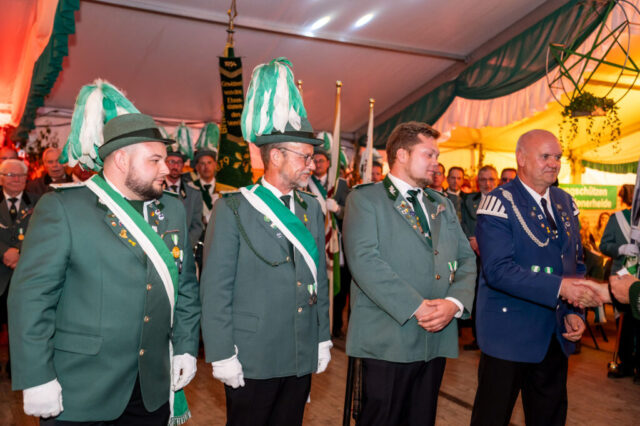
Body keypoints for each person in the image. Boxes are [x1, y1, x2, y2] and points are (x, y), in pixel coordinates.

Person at [9, 112, 201, 423]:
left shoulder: (172, 208)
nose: (166, 169)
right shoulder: (65, 208)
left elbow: (186, 287)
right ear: (122, 160)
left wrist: (186, 347)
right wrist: (36, 376)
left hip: (151, 389)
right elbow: (31, 298)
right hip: (81, 388)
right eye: (155, 160)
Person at [200, 57, 331, 426]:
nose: (311, 165)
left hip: (298, 349)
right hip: (251, 354)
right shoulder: (234, 208)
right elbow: (216, 289)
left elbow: (318, 279)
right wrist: (221, 353)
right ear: (276, 155)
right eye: (305, 157)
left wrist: (321, 337)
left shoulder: (310, 207)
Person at [343, 121, 476, 426]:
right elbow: (365, 262)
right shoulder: (366, 199)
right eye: (428, 154)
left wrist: (453, 304)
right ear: (401, 155)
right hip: (388, 338)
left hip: (435, 338)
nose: (436, 163)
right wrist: (418, 307)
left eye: (437, 156)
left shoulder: (440, 204)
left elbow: (466, 259)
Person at [470, 129, 601, 425]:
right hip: (508, 335)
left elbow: (575, 265)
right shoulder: (499, 202)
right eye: (545, 156)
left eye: (557, 157)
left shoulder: (565, 202)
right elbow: (498, 271)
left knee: (549, 417)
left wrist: (574, 310)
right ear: (522, 158)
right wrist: (560, 288)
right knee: (492, 417)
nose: (554, 163)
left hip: (554, 332)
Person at [0, 159, 39, 376]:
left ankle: (16, 368)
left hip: (25, 275)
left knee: (21, 325)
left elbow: (43, 231)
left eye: (21, 175)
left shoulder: (38, 202)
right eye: (10, 175)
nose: (16, 179)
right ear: (1, 179)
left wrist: (20, 253)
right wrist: (4, 252)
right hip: (1, 273)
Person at [308, 147, 350, 337]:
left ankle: (335, 326)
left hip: (335, 242)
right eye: (315, 160)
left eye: (321, 161)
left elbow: (350, 211)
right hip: (313, 239)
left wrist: (338, 209)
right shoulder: (306, 181)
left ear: (328, 163)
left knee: (337, 284)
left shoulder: (340, 184)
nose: (318, 164)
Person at [599, 184, 639, 380]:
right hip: (622, 278)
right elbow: (604, 245)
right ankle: (626, 363)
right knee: (624, 323)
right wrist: (621, 249)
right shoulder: (618, 218)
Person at [164, 149, 204, 251]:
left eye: (179, 162)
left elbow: (197, 225)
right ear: (164, 164)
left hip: (184, 248)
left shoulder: (194, 194)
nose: (175, 166)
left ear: (183, 166)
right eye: (171, 162)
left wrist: (185, 246)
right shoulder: (155, 190)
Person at [190, 149, 219, 225]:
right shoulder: (190, 187)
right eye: (202, 163)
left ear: (215, 165)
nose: (206, 167)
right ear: (197, 167)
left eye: (209, 163)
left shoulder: (224, 188)